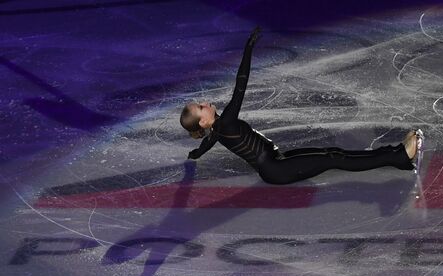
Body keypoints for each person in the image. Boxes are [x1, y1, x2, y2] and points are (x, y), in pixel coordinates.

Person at [180, 26, 425, 185]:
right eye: (200, 107)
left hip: (277, 162)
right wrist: (248, 49)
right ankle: (399, 155)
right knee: (334, 157)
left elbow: (208, 141)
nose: (205, 103)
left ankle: (395, 154)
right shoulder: (226, 122)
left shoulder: (217, 130)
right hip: (278, 168)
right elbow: (240, 85)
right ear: (203, 120)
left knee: (332, 153)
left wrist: (196, 154)